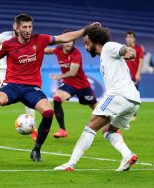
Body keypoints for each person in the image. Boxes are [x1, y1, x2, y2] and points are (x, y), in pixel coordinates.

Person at [0, 13, 99, 162]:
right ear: (17, 28)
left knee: (48, 112)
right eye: (24, 27)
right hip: (13, 86)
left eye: (30, 26)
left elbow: (65, 38)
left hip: (31, 88)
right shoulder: (8, 44)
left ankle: (36, 150)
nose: (28, 30)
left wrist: (86, 29)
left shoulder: (40, 39)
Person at [54, 25, 140, 171]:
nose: (86, 48)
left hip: (118, 95)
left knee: (90, 127)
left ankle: (70, 163)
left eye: (87, 43)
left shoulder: (108, 47)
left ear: (95, 41)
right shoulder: (105, 56)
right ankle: (127, 155)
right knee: (108, 130)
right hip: (133, 100)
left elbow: (126, 50)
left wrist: (130, 52)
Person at [0, 26, 37, 141]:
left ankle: (34, 130)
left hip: (18, 74)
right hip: (1, 72)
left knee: (29, 100)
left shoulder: (29, 39)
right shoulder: (4, 37)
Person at [44, 31, 97, 138]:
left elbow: (73, 72)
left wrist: (59, 77)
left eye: (70, 41)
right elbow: (48, 50)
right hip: (69, 84)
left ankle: (114, 127)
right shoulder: (58, 49)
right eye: (66, 41)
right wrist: (35, 49)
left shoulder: (76, 54)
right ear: (63, 41)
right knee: (57, 99)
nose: (68, 43)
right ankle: (62, 130)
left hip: (82, 85)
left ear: (73, 42)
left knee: (96, 108)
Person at [125, 31, 144, 121]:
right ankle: (124, 114)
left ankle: (133, 114)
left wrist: (138, 73)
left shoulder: (138, 48)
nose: (129, 39)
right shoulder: (123, 49)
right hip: (124, 77)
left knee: (134, 96)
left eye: (131, 37)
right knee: (124, 96)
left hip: (133, 76)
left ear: (134, 38)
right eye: (128, 37)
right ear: (126, 38)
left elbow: (141, 61)